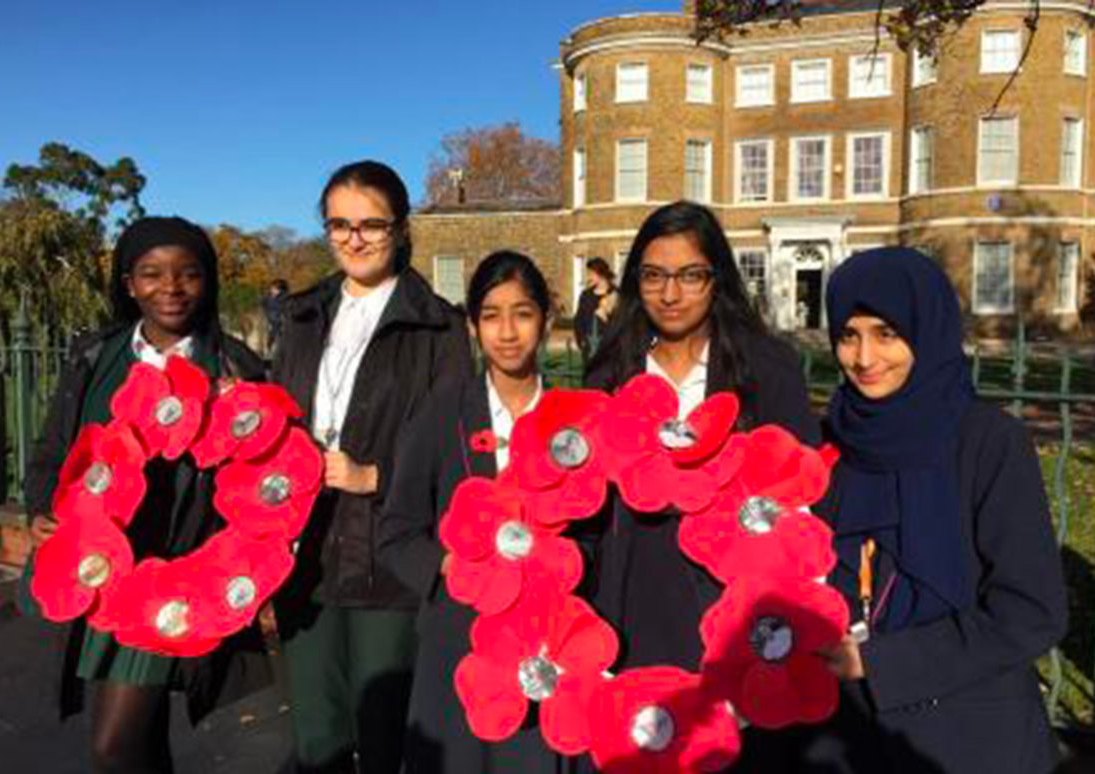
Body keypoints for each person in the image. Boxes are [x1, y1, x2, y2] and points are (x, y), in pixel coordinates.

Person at [23, 216, 269, 774]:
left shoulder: (233, 367)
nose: (171, 287)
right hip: (100, 571)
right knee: (141, 741)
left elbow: (260, 479)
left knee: (113, 746)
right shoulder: (95, 356)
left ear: (207, 283)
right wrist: (42, 508)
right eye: (152, 274)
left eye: (188, 274)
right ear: (128, 283)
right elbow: (57, 446)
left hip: (173, 579)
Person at [808, 246, 1067, 772]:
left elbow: (1031, 611)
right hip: (845, 735)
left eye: (887, 334)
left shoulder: (986, 441)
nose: (864, 358)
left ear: (926, 331)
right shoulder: (828, 442)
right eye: (848, 335)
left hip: (966, 736)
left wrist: (880, 664)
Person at [582, 200, 818, 770]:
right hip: (632, 592)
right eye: (655, 275)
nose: (670, 293)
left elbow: (802, 491)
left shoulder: (765, 369)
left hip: (727, 599)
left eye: (690, 275)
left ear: (717, 279)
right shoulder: (612, 369)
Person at [270, 160, 470, 773]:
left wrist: (373, 477)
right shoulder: (300, 316)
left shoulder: (440, 326)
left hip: (386, 558)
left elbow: (456, 453)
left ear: (401, 229)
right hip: (305, 553)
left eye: (371, 225)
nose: (354, 239)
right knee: (317, 736)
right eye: (339, 224)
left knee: (383, 735)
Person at [379, 250, 561, 774]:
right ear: (473, 326)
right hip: (459, 635)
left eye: (523, 313)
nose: (507, 332)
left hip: (548, 635)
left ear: (546, 320)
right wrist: (453, 568)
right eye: (491, 315)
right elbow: (397, 532)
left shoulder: (575, 421)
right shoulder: (441, 414)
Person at [573, 257, 617, 362]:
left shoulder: (616, 295)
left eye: (591, 273)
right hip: (589, 350)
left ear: (600, 274)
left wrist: (605, 315)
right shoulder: (586, 295)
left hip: (611, 351)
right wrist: (581, 341)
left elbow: (623, 325)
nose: (588, 277)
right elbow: (579, 320)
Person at [263, 279, 289, 356]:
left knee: (279, 338)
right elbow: (266, 309)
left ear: (280, 290)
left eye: (275, 289)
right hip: (273, 322)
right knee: (272, 337)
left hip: (280, 323)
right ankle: (270, 351)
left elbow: (284, 311)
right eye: (272, 289)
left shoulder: (284, 299)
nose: (272, 291)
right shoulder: (268, 299)